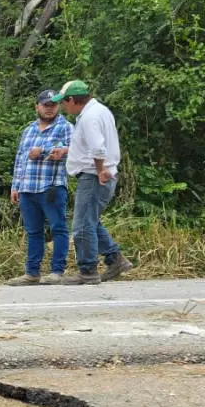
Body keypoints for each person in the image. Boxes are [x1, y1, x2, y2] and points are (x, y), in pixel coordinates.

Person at [49, 80, 133, 285]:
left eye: (64, 102)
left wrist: (100, 170)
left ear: (71, 100)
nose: (63, 107)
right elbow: (92, 145)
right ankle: (115, 259)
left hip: (94, 176)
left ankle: (87, 270)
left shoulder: (89, 117)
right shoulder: (99, 111)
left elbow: (98, 148)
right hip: (97, 173)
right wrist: (68, 151)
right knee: (91, 221)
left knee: (82, 225)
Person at [7, 89, 72, 286]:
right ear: (38, 106)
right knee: (33, 231)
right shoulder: (28, 130)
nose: (49, 109)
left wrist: (43, 152)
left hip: (51, 186)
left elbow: (76, 152)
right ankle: (32, 272)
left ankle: (57, 271)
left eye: (53, 105)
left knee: (58, 228)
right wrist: (15, 186)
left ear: (58, 106)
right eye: (46, 105)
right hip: (28, 187)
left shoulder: (66, 127)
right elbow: (20, 159)